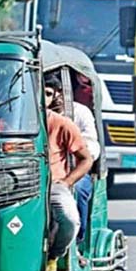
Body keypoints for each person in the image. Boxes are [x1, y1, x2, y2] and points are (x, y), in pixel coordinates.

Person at [44, 79, 94, 271]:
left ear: (55, 95)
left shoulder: (62, 122)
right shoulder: (3, 120)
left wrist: (66, 181)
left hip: (53, 185)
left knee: (70, 219)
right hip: (11, 184)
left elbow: (87, 157)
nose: (41, 98)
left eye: (47, 93)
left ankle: (53, 258)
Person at [45, 74, 99, 245]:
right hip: (30, 179)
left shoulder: (78, 114)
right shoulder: (23, 118)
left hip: (70, 174)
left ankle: (77, 243)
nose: (57, 97)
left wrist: (68, 180)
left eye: (59, 92)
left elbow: (89, 151)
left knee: (80, 192)